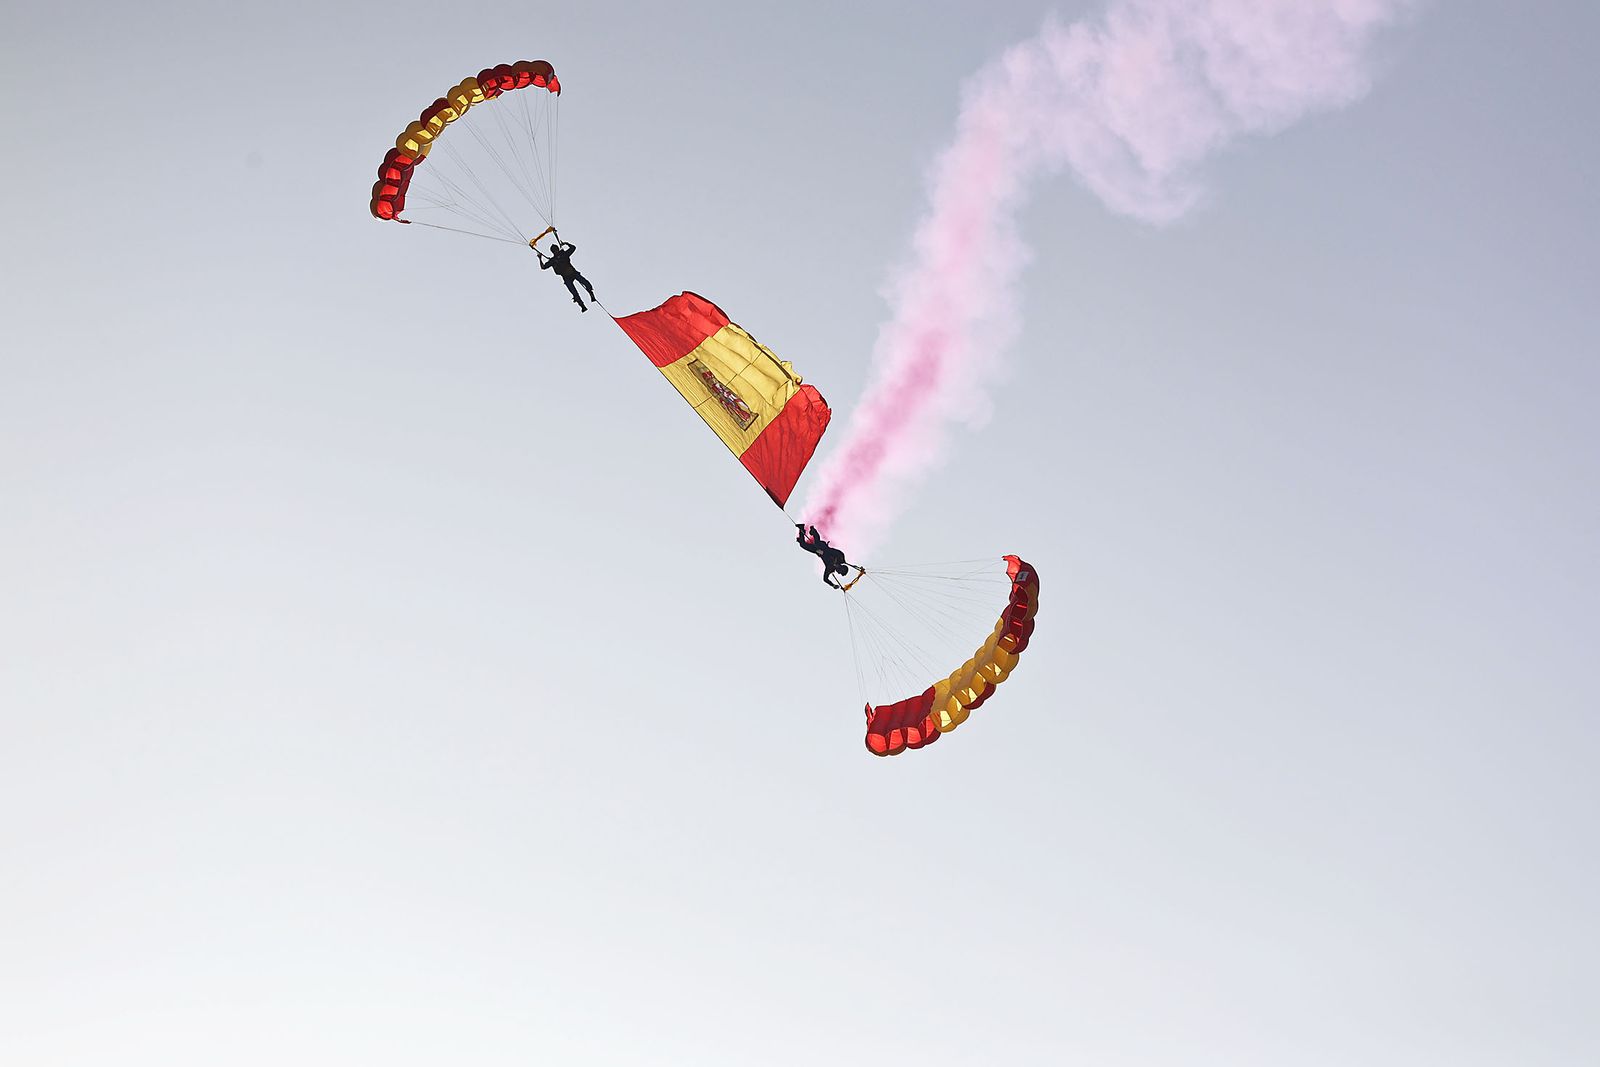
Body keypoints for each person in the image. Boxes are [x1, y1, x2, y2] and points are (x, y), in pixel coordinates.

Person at [537, 237, 596, 311]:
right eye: (554, 251)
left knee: (584, 282)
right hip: (567, 277)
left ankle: (590, 294)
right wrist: (540, 258)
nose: (555, 251)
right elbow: (543, 267)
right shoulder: (554, 260)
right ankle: (582, 305)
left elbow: (573, 248)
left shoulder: (562, 255)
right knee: (574, 292)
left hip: (572, 273)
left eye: (556, 250)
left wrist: (566, 244)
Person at [796, 523, 859, 589]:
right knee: (817, 543)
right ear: (843, 567)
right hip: (823, 547)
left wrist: (833, 585)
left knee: (802, 545)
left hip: (817, 551)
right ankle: (813, 530)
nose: (839, 572)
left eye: (840, 573)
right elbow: (836, 552)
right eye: (841, 571)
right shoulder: (841, 559)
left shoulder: (830, 568)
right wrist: (824, 553)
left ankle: (801, 528)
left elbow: (825, 579)